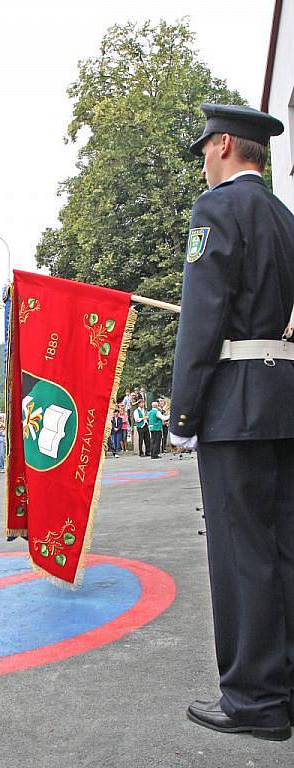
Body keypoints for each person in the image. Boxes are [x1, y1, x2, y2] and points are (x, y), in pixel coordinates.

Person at [169, 104, 294, 740]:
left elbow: (202, 317)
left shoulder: (215, 209)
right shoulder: (284, 216)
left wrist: (183, 409)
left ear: (222, 146)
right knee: (282, 550)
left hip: (235, 405)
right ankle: (285, 685)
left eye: (204, 148)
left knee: (241, 555)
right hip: (284, 398)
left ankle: (254, 698)